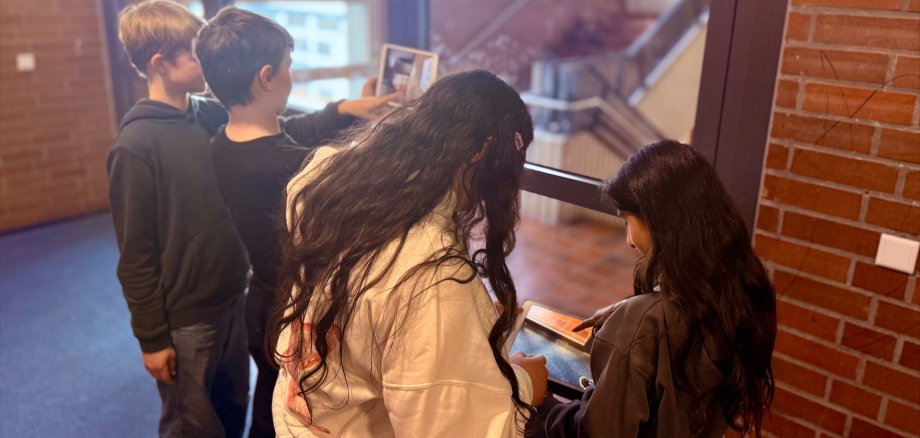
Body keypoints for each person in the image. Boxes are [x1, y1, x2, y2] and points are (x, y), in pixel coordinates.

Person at [268, 69, 549, 437]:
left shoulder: (323, 177)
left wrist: (467, 318)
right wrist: (526, 385)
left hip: (302, 410)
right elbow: (454, 428)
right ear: (482, 151)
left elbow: (368, 308)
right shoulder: (430, 272)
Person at [195, 7, 397, 438]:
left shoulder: (222, 144)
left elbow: (288, 130)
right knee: (287, 417)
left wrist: (345, 108)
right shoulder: (294, 167)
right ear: (267, 77)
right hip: (293, 316)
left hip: (260, 304)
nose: (291, 76)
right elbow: (360, 177)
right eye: (288, 66)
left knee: (269, 402)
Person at [534, 140, 777, 437]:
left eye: (627, 220)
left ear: (659, 219)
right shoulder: (739, 297)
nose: (629, 240)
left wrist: (541, 403)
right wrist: (638, 313)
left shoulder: (641, 326)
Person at [107, 2, 250, 436]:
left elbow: (274, 130)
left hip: (232, 297)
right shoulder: (135, 148)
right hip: (187, 320)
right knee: (192, 424)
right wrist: (152, 340)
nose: (207, 63)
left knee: (233, 407)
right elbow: (136, 256)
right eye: (195, 55)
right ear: (160, 64)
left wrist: (343, 110)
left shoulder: (209, 114)